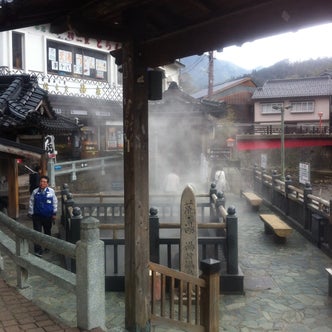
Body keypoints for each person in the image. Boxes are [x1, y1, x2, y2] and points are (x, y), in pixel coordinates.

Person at [28, 175, 57, 257]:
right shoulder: (35, 191)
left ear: (47, 183)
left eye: (44, 182)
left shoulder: (51, 191)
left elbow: (55, 202)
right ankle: (38, 250)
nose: (42, 183)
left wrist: (54, 213)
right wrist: (31, 213)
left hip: (48, 216)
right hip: (37, 216)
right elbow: (31, 202)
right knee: (37, 233)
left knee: (47, 232)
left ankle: (48, 247)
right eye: (41, 181)